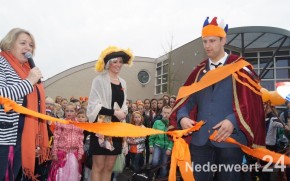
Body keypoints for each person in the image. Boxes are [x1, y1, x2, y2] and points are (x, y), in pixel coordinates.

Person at [169, 17, 265, 181]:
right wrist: (183, 117)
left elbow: (253, 102)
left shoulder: (240, 68)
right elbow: (185, 101)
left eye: (212, 41)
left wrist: (233, 121)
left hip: (230, 139)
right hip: (200, 142)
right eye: (205, 41)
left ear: (224, 40)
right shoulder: (198, 72)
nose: (207, 46)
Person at [0, 28, 49, 180]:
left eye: (31, 45)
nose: (28, 48)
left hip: (20, 138)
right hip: (4, 139)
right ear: (9, 44)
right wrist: (29, 81)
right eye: (23, 43)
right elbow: (2, 96)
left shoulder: (25, 69)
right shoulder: (2, 63)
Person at [86, 46, 134, 181]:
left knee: (109, 167)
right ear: (108, 64)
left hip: (116, 128)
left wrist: (124, 112)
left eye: (120, 62)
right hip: (101, 128)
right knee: (98, 166)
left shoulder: (123, 82)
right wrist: (113, 112)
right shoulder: (98, 80)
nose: (118, 64)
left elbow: (124, 104)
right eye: (115, 61)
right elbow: (93, 106)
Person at [48, 103, 84, 181]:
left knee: (73, 174)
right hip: (62, 153)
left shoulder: (79, 124)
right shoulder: (60, 122)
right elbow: (56, 138)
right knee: (61, 174)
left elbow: (80, 139)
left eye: (71, 111)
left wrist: (80, 152)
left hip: (74, 154)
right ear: (64, 111)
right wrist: (54, 152)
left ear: (76, 112)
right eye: (67, 111)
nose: (69, 113)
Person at [149, 105, 173, 178]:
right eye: (164, 112)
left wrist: (170, 148)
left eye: (168, 113)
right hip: (157, 146)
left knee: (164, 165)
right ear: (162, 113)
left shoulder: (172, 124)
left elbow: (173, 138)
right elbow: (153, 134)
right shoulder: (157, 122)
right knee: (155, 162)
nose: (166, 114)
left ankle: (161, 178)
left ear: (171, 113)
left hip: (167, 147)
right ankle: (153, 175)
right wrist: (151, 145)